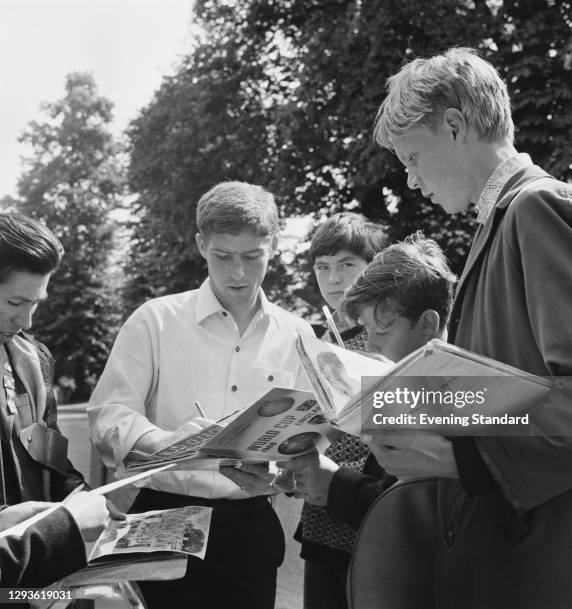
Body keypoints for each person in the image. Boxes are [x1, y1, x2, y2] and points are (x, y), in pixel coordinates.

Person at [368, 47, 572, 608]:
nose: (411, 181)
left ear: (453, 126)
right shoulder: (500, 220)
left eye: (412, 157)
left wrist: (458, 459)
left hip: (548, 563)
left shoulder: (539, 207)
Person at [87, 181, 314, 609]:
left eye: (252, 256)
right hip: (162, 518)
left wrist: (282, 477)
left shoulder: (298, 334)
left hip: (252, 528)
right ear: (200, 244)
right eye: (223, 256)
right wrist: (166, 445)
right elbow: (109, 413)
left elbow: (302, 437)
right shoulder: (154, 320)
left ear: (274, 244)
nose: (238, 274)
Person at [284, 234, 456, 609]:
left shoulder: (455, 395)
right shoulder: (405, 378)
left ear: (428, 324)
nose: (371, 345)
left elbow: (418, 516)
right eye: (365, 329)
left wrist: (334, 482)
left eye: (380, 332)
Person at [283, 212, 387, 609]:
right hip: (320, 519)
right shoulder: (321, 337)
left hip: (366, 510)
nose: (334, 280)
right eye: (323, 267)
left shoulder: (387, 337)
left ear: (375, 266)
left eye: (347, 265)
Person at [0, 213, 110, 587]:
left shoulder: (34, 358)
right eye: (16, 301)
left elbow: (52, 458)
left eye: (36, 303)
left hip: (40, 575)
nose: (27, 320)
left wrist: (89, 500)